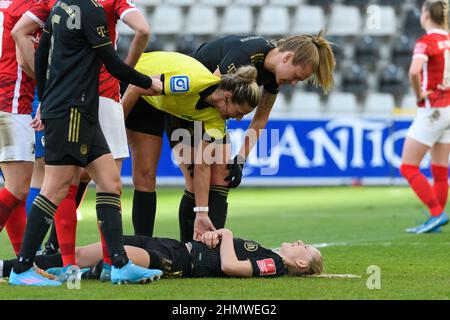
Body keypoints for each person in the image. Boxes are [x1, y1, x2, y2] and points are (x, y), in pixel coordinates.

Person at [125, 32, 336, 242]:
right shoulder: (244, 55)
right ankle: (179, 250)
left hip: (208, 109)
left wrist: (240, 159)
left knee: (222, 179)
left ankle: (206, 252)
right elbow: (212, 95)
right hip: (186, 102)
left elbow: (260, 120)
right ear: (287, 57)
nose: (294, 83)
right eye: (297, 76)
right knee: (192, 180)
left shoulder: (274, 77)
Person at [8, 0, 163, 286]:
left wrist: (44, 97)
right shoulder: (91, 11)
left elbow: (41, 55)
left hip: (78, 110)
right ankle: (22, 268)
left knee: (109, 181)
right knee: (55, 188)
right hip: (72, 112)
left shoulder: (59, 8)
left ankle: (119, 263)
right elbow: (113, 64)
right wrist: (147, 83)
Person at [122, 51, 260, 241]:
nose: (237, 119)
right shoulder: (191, 82)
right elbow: (136, 86)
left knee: (146, 176)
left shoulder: (216, 121)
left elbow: (202, 166)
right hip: (129, 80)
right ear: (227, 96)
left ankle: (142, 247)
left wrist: (201, 213)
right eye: (238, 112)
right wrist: (115, 127)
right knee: (96, 173)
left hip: (155, 102)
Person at [0, 228, 324, 279]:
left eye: (305, 249)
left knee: (120, 254)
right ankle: (9, 267)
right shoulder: (269, 253)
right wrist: (212, 235)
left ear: (300, 263)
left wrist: (224, 234)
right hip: (173, 245)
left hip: (183, 262)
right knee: (86, 250)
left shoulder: (275, 266)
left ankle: (93, 273)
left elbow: (230, 266)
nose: (299, 242)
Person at [0, 0, 52, 257]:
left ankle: (25, 262)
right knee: (18, 188)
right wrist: (47, 86)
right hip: (11, 103)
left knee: (15, 189)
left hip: (5, 102)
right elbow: (23, 60)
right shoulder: (27, 8)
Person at [400, 0, 450, 234]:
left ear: (427, 15)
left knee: (408, 167)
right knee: (440, 170)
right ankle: (436, 220)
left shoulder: (426, 41)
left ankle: (437, 213)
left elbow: (413, 71)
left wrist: (419, 94)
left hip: (434, 109)